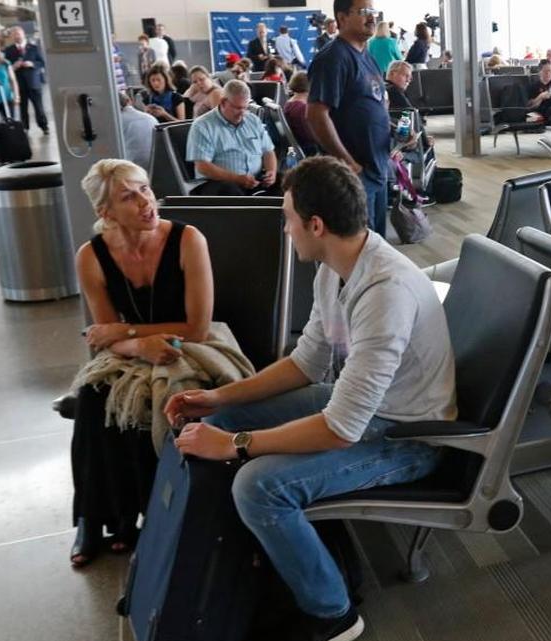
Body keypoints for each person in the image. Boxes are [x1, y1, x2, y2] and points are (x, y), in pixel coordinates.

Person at [164, 155, 456, 641]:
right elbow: (306, 364)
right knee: (228, 419)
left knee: (258, 486)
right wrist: (218, 399)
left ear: (316, 225)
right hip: (362, 409)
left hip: (407, 435)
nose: (285, 230)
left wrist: (236, 444)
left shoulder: (385, 290)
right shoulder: (335, 266)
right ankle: (264, 552)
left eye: (288, 219)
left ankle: (333, 615)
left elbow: (341, 429)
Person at [68, 159, 214, 568]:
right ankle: (94, 517)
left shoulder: (188, 240)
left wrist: (132, 335)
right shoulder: (91, 256)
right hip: (132, 353)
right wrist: (137, 344)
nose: (146, 202)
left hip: (188, 349)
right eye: (128, 197)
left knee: (156, 397)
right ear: (105, 213)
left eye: (145, 189)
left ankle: (147, 513)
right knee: (94, 398)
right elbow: (104, 335)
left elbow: (198, 328)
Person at [307, 0, 391, 237]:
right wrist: (348, 164)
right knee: (358, 251)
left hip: (377, 168)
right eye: (364, 12)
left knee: (376, 246)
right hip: (355, 174)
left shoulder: (367, 55)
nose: (372, 18)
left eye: (373, 12)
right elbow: (315, 115)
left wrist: (397, 134)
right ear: (342, 18)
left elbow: (372, 106)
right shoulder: (333, 58)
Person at [186, 80, 280, 196]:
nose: (242, 113)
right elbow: (203, 167)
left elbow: (268, 151)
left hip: (254, 180)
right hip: (220, 183)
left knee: (288, 181)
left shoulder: (253, 120)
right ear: (223, 102)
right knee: (229, 190)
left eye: (245, 108)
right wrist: (237, 178)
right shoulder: (202, 126)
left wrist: (272, 172)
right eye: (237, 108)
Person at [118, 92, 158, 171]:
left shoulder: (116, 122)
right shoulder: (150, 118)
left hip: (133, 170)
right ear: (129, 101)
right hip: (156, 166)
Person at [284, 71, 317, 155]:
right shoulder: (301, 108)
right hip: (310, 150)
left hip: (302, 147)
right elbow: (310, 136)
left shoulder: (290, 103)